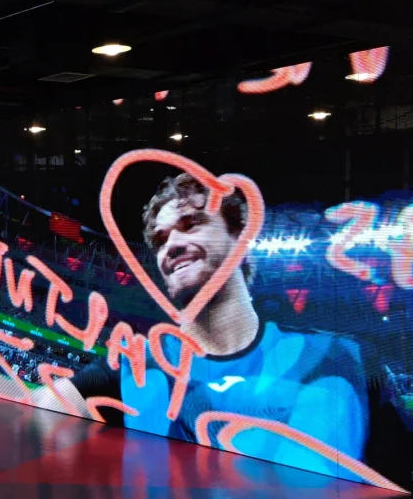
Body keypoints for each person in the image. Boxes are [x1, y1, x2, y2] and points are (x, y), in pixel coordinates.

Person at [72, 171, 369, 478]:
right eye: (160, 240)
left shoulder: (334, 356)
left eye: (191, 224)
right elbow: (45, 413)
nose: (172, 245)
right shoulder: (136, 364)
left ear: (240, 241)